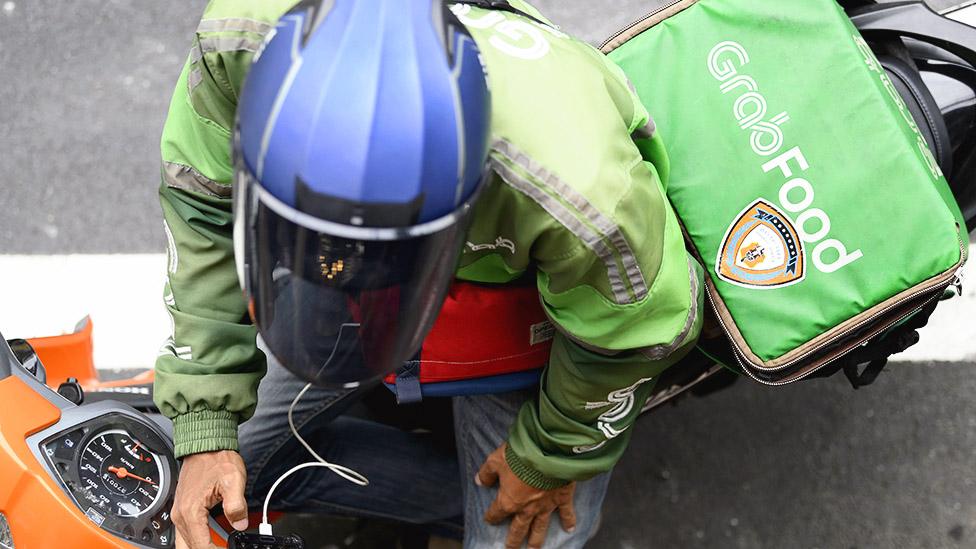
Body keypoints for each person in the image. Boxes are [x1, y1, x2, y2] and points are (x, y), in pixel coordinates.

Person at [154, 1, 703, 548]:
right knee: (199, 472)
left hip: (519, 289)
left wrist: (549, 456)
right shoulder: (238, 43)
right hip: (341, 250)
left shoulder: (578, 195)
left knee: (524, 533)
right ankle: (456, 496)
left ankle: (489, 495)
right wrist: (207, 419)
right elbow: (202, 206)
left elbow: (640, 330)